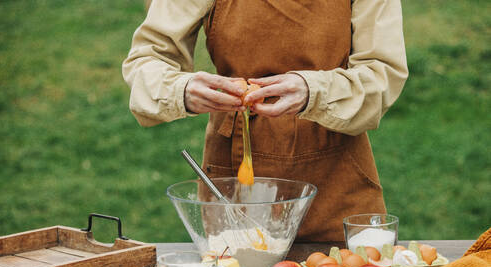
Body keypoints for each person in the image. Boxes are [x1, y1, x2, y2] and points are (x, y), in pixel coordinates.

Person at [122, 0, 408, 242]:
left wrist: (313, 92)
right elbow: (148, 59)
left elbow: (382, 73)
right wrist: (181, 89)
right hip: (234, 177)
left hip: (337, 181)